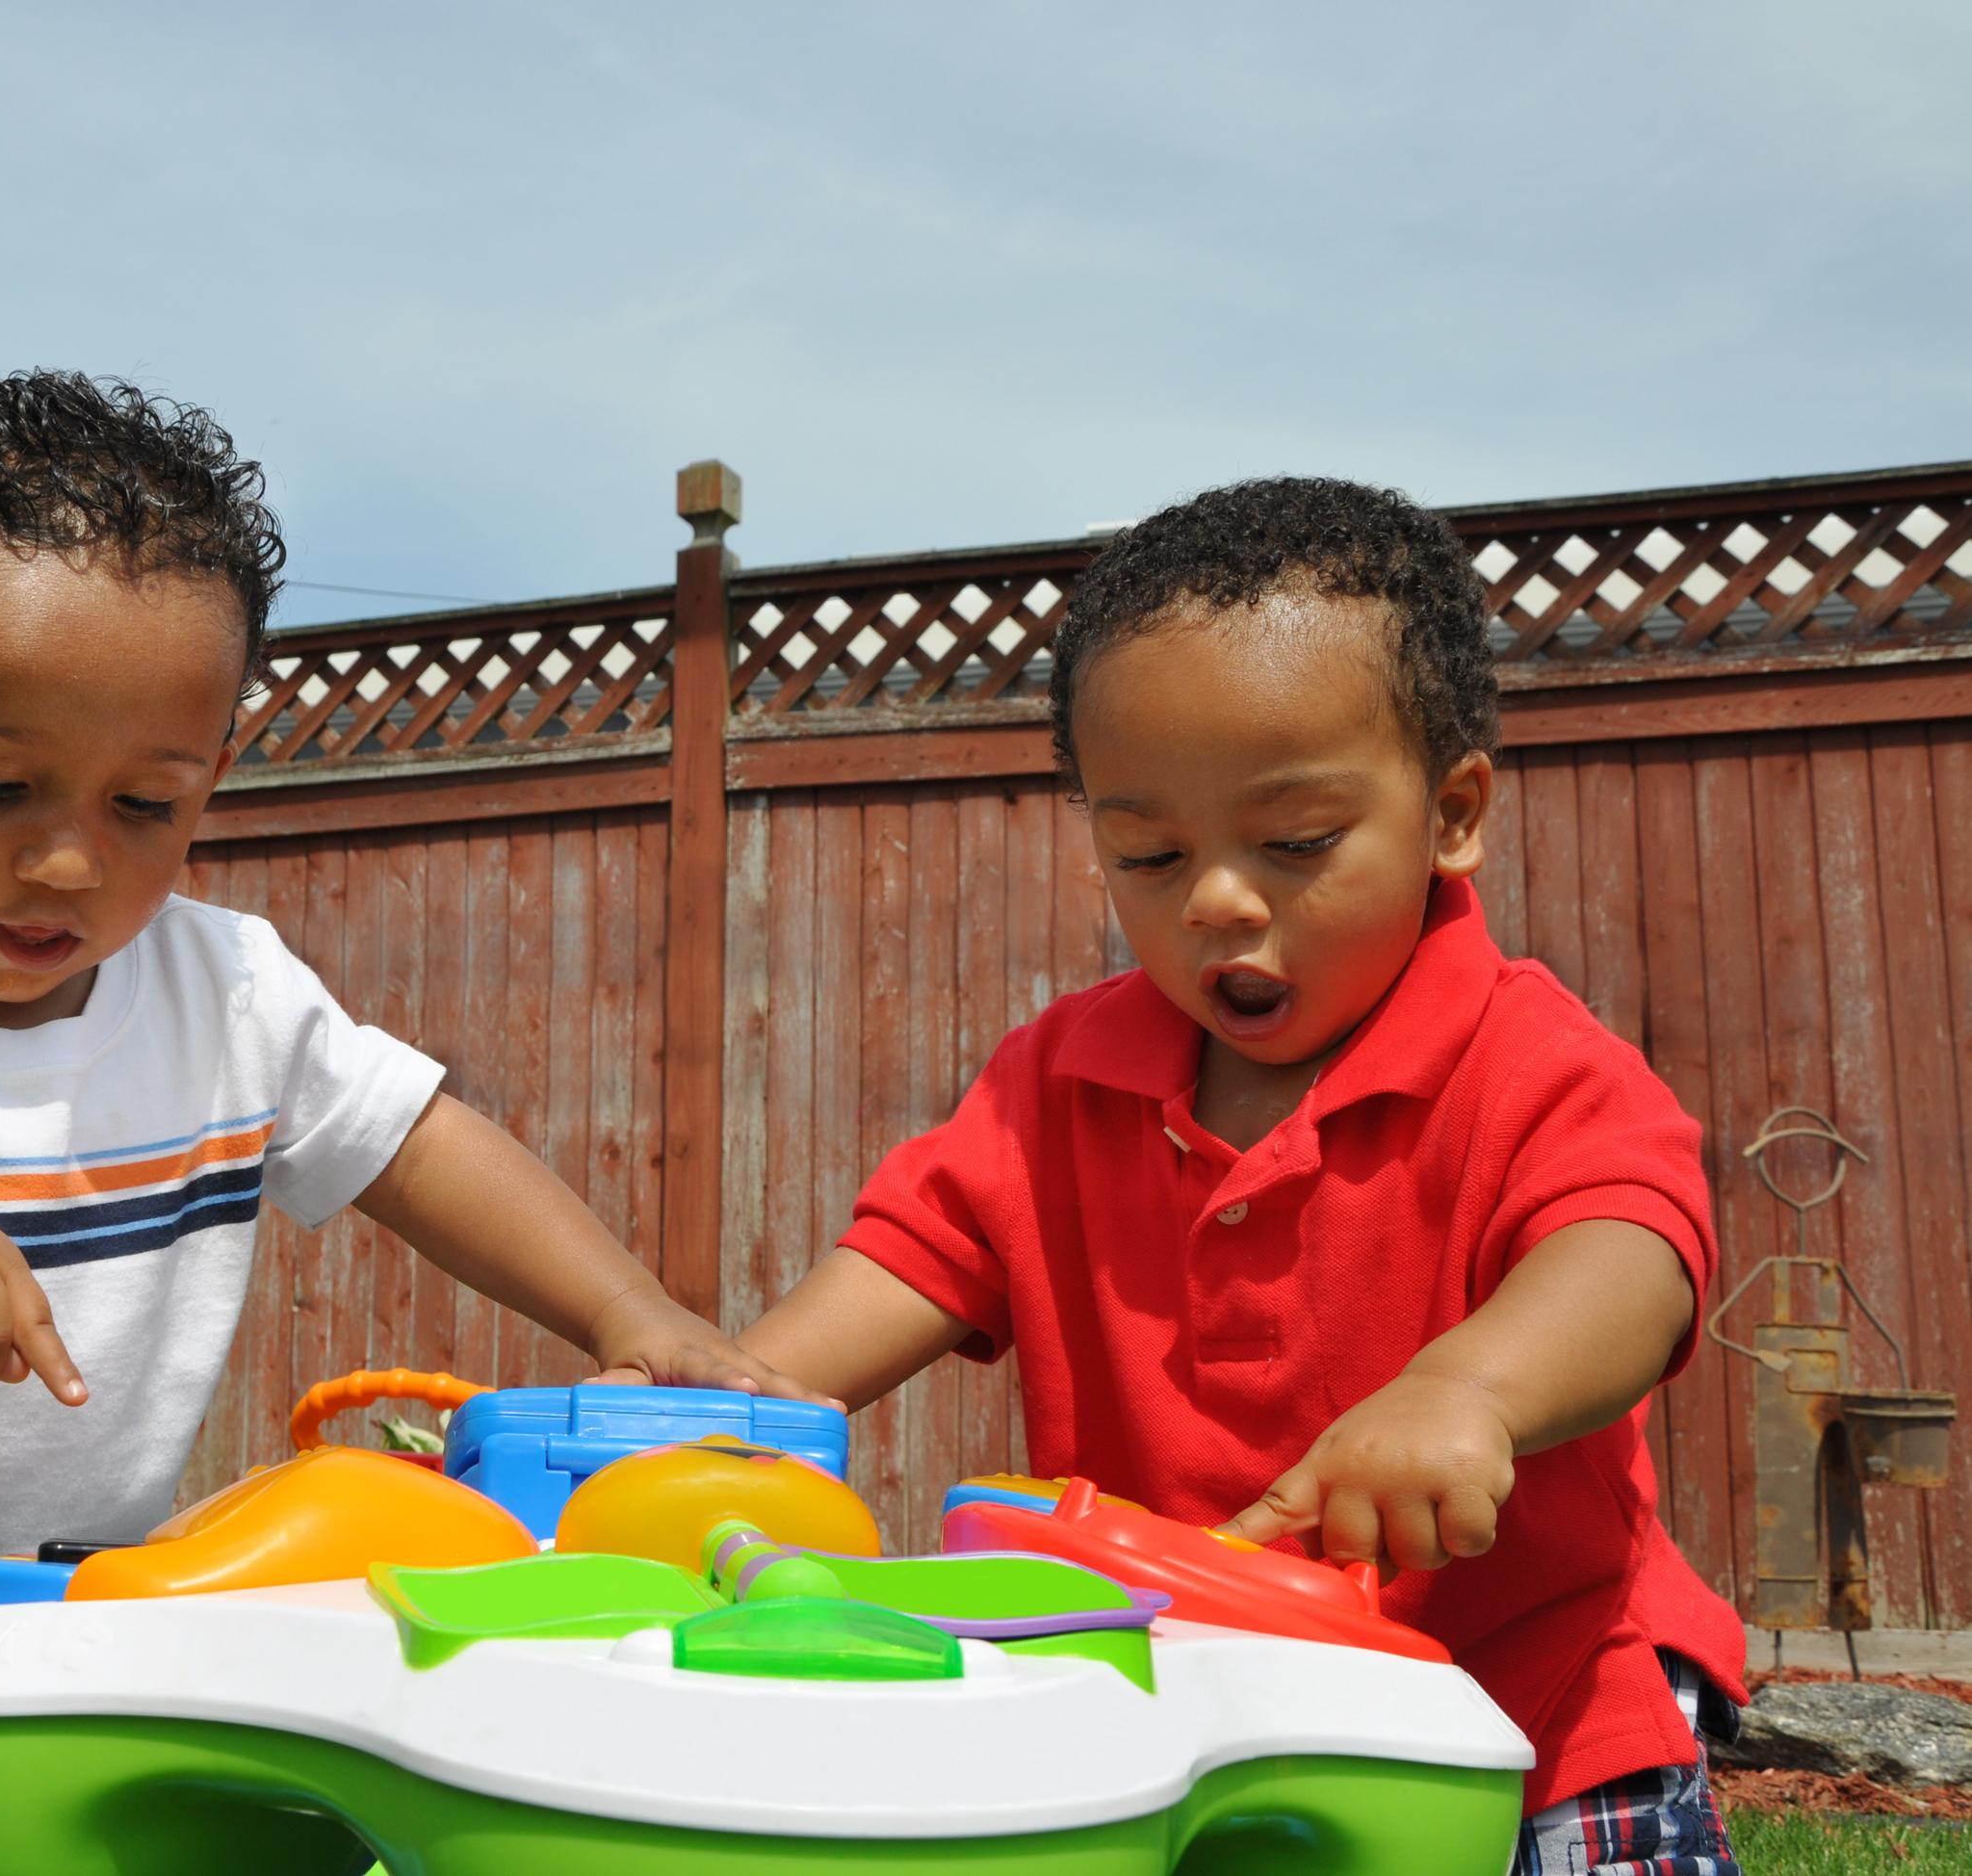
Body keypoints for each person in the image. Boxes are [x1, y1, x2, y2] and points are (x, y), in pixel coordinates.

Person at [0, 372, 817, 1874]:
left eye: (144, 805)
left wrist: (627, 1311)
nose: (69, 864)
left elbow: (416, 1146)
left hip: (34, 1644)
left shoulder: (230, 992)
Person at [738, 477, 1748, 1874]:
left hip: (1534, 1712)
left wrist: (1469, 1390)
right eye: (1148, 853)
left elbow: (1631, 1249)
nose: (1214, 898)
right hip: (1204, 1721)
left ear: (1452, 813)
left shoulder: (1524, 1058)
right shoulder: (1054, 1084)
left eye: (1295, 842)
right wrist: (732, 1406)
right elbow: (901, 1264)